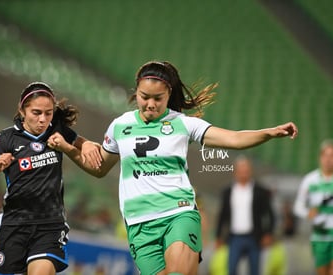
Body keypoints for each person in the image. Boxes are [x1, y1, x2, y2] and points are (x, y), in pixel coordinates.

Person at [49, 60, 298, 275]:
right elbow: (100, 168)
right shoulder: (119, 126)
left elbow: (233, 139)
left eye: (158, 98)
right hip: (139, 223)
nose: (150, 104)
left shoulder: (183, 124)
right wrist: (71, 149)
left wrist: (269, 132)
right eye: (144, 97)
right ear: (136, 92)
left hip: (177, 213)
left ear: (168, 94)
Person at [0, 82, 99, 275]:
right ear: (22, 110)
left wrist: (86, 145)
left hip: (49, 225)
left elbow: (89, 154)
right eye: (36, 112)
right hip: (13, 225)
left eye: (48, 113)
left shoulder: (57, 131)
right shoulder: (6, 139)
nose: (43, 119)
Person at [215, 156, 275, 275]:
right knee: (231, 269)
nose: (243, 173)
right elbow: (222, 215)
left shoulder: (260, 191)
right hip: (234, 238)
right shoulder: (228, 191)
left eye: (246, 170)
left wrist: (268, 233)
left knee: (254, 270)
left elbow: (269, 213)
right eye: (241, 170)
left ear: (250, 171)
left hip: (254, 237)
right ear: (235, 172)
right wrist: (218, 236)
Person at [293, 139, 333, 275]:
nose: (328, 160)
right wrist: (308, 213)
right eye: (326, 155)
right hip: (319, 236)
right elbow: (298, 206)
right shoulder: (310, 180)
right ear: (320, 157)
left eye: (332, 156)